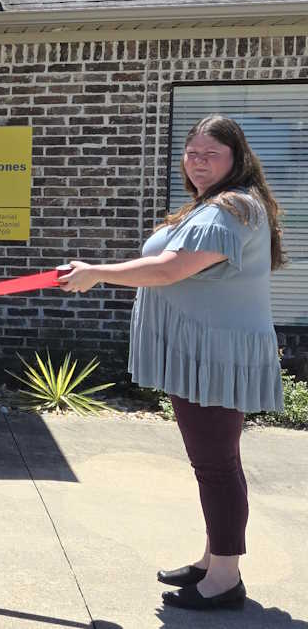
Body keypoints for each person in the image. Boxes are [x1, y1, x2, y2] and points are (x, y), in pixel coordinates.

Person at [58, 115, 286, 612]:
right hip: (205, 350)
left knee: (216, 465)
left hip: (215, 355)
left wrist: (97, 273)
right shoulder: (216, 204)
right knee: (215, 462)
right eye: (193, 153)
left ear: (237, 159)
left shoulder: (233, 207)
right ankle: (214, 559)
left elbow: (171, 268)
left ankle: (225, 577)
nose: (199, 162)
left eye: (212, 154)